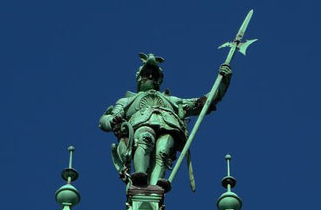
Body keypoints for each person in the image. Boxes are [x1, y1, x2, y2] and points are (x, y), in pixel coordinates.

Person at [99, 53, 232, 191]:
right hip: (141, 126)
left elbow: (204, 103)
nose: (151, 77)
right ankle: (140, 178)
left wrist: (223, 81)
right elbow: (107, 119)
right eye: (147, 74)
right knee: (145, 138)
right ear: (139, 78)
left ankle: (155, 187)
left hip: (169, 127)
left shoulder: (173, 101)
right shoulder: (126, 101)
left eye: (154, 75)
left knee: (163, 152)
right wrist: (113, 121)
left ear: (159, 80)